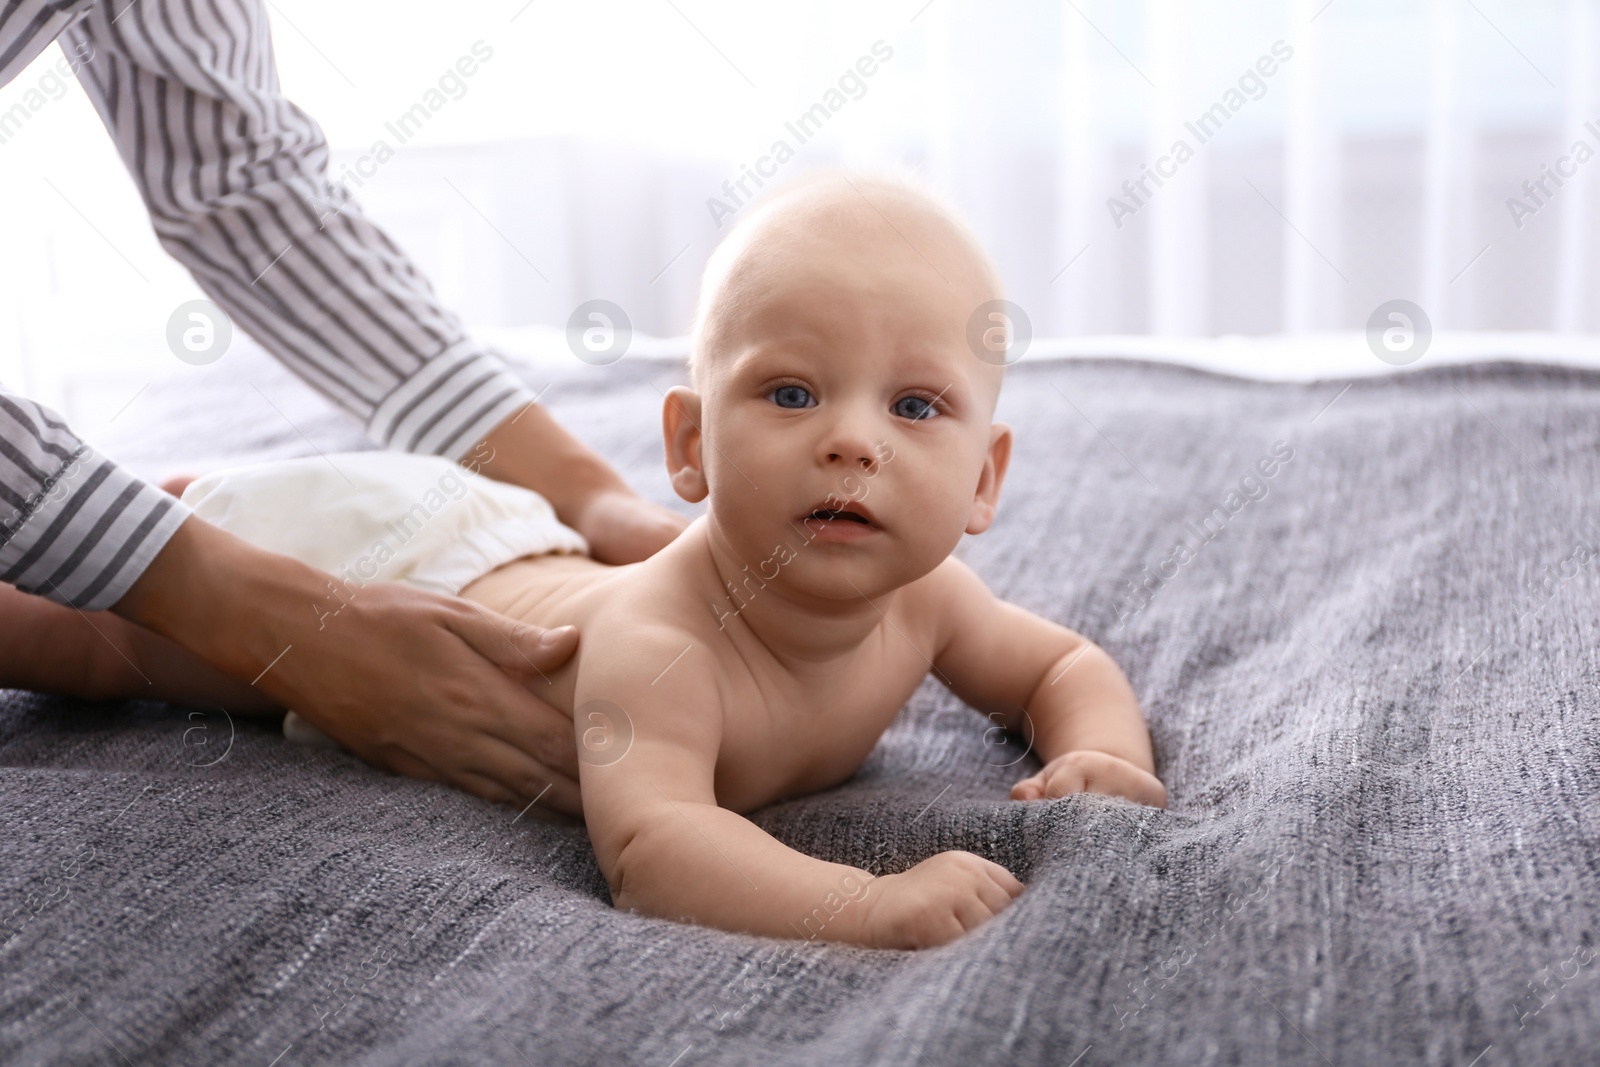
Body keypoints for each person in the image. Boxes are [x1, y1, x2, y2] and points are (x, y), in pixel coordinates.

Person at [93, 172, 1169, 949]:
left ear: (984, 478)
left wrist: (1103, 750)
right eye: (790, 392)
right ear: (690, 446)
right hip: (392, 570)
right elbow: (656, 849)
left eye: (915, 404)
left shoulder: (929, 599)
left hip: (512, 537)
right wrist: (867, 903)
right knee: (100, 638)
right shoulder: (661, 644)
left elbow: (1057, 666)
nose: (852, 439)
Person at [0, 0, 687, 817]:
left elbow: (241, 180)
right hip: (384, 546)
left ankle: (196, 515)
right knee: (91, 641)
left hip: (447, 522)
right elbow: (659, 854)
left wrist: (588, 490)